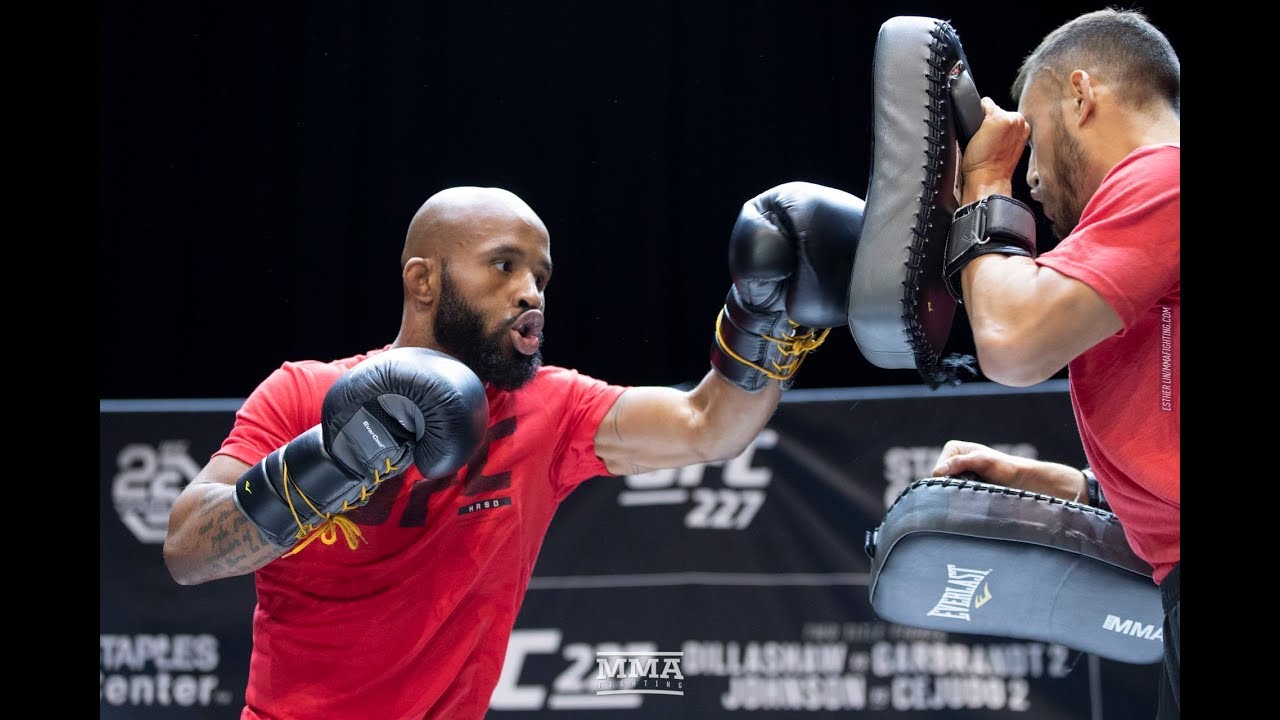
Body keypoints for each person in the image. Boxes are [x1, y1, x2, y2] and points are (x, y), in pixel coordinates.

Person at [162, 182, 865, 719]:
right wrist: (336, 463)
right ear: (424, 280)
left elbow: (707, 423)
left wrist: (765, 321)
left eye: (540, 276)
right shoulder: (302, 393)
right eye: (502, 266)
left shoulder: (549, 407)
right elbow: (189, 548)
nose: (529, 292)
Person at [927, 9, 1179, 718]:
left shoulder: (1165, 173)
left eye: (1032, 141)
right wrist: (1062, 484)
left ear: (1082, 93)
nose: (1031, 177)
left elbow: (1011, 344)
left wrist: (984, 183)